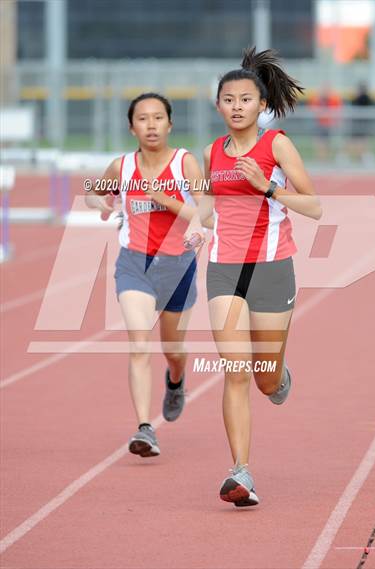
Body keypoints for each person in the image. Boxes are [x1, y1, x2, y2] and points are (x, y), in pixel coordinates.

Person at [199, 47, 322, 507]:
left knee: (263, 379)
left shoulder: (277, 146)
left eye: (245, 99)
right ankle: (241, 472)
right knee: (234, 371)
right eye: (228, 99)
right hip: (224, 271)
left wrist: (268, 186)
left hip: (272, 270)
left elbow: (315, 205)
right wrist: (197, 226)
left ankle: (279, 379)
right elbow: (211, 205)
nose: (236, 106)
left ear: (261, 104)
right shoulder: (214, 151)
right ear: (218, 105)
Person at [85, 92, 209, 458]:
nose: (151, 125)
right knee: (139, 344)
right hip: (134, 265)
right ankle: (144, 427)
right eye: (143, 118)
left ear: (170, 124)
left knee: (172, 349)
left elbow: (206, 212)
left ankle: (176, 380)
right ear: (131, 126)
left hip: (177, 267)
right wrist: (103, 204)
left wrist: (167, 200)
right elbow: (93, 191)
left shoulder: (184, 163)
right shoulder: (121, 167)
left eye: (158, 118)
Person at [309, 83, 342, 161]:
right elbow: (313, 109)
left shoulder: (333, 99)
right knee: (320, 142)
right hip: (320, 125)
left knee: (328, 143)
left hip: (330, 125)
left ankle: (326, 158)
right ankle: (321, 159)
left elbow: (336, 110)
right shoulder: (317, 99)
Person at [348, 82, 375, 164]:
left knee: (362, 140)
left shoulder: (365, 98)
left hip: (362, 123)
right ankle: (358, 157)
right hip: (357, 123)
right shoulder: (360, 98)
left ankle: (361, 157)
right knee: (356, 140)